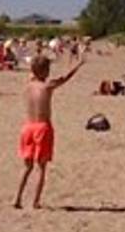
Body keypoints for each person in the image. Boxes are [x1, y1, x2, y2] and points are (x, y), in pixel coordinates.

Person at [14, 55, 83, 209]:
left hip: (27, 127)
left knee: (27, 167)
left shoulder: (28, 86)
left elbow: (33, 72)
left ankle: (18, 198)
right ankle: (35, 201)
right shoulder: (47, 86)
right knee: (41, 167)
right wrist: (77, 65)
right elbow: (64, 78)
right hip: (42, 127)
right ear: (45, 71)